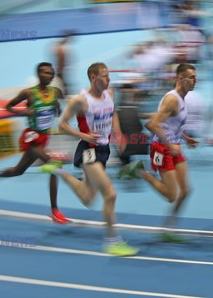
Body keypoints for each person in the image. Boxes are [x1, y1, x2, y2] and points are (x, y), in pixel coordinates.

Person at [40, 62, 139, 256]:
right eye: (104, 76)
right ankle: (113, 240)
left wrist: (118, 133)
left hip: (104, 150)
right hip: (88, 151)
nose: (108, 79)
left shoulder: (110, 94)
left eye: (109, 75)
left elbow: (113, 112)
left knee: (87, 198)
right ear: (93, 78)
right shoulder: (80, 100)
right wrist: (83, 136)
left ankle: (57, 170)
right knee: (110, 194)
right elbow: (62, 125)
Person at [0, 62, 69, 224]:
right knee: (55, 165)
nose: (49, 76)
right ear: (39, 74)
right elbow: (8, 107)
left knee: (18, 170)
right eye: (46, 73)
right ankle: (54, 210)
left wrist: (57, 108)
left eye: (52, 74)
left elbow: (58, 110)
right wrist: (24, 112)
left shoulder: (56, 92)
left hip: (44, 137)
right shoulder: (29, 93)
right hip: (32, 138)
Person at [122, 63, 198, 242]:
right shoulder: (172, 99)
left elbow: (171, 124)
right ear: (180, 78)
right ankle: (141, 171)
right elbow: (152, 125)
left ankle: (168, 228)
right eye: (192, 77)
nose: (195, 80)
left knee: (186, 190)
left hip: (174, 146)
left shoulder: (182, 98)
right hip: (161, 148)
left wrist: (185, 138)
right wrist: (170, 144)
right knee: (171, 196)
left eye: (196, 77)